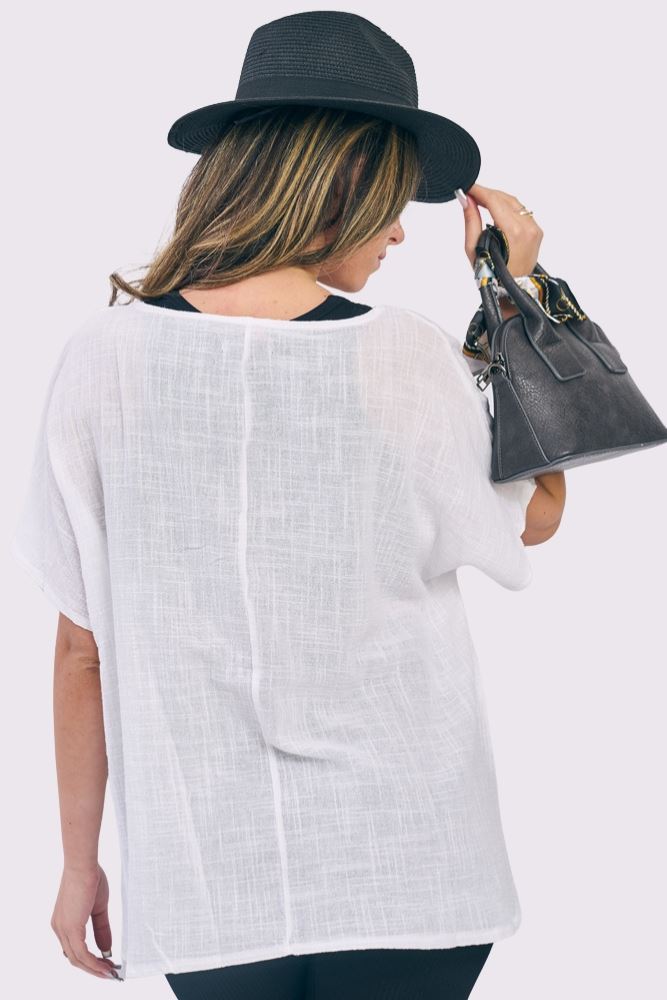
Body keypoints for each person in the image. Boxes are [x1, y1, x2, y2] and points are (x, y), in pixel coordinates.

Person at [10, 12, 565, 998]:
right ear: (342, 181)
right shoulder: (403, 355)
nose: (399, 231)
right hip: (408, 861)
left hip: (207, 875)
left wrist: (78, 862)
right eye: (391, 199)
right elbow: (533, 517)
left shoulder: (102, 361)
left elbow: (79, 649)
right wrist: (510, 294)